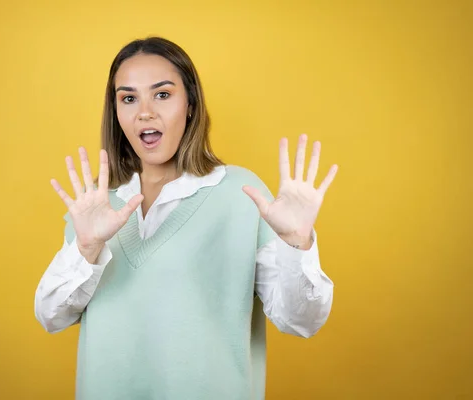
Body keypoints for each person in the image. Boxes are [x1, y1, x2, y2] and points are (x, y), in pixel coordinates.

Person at [34, 36, 338, 400]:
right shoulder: (98, 203)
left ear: (190, 104)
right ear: (115, 112)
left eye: (162, 94)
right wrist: (87, 246)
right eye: (128, 98)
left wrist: (297, 243)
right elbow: (52, 316)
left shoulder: (240, 193)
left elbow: (300, 321)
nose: (144, 112)